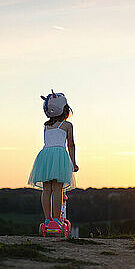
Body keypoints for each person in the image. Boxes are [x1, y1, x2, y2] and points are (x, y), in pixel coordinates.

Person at [28, 90, 78, 228]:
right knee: (57, 189)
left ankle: (47, 219)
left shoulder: (46, 125)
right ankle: (56, 220)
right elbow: (71, 145)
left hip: (45, 156)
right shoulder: (67, 125)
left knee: (46, 189)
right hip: (59, 156)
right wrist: (73, 163)